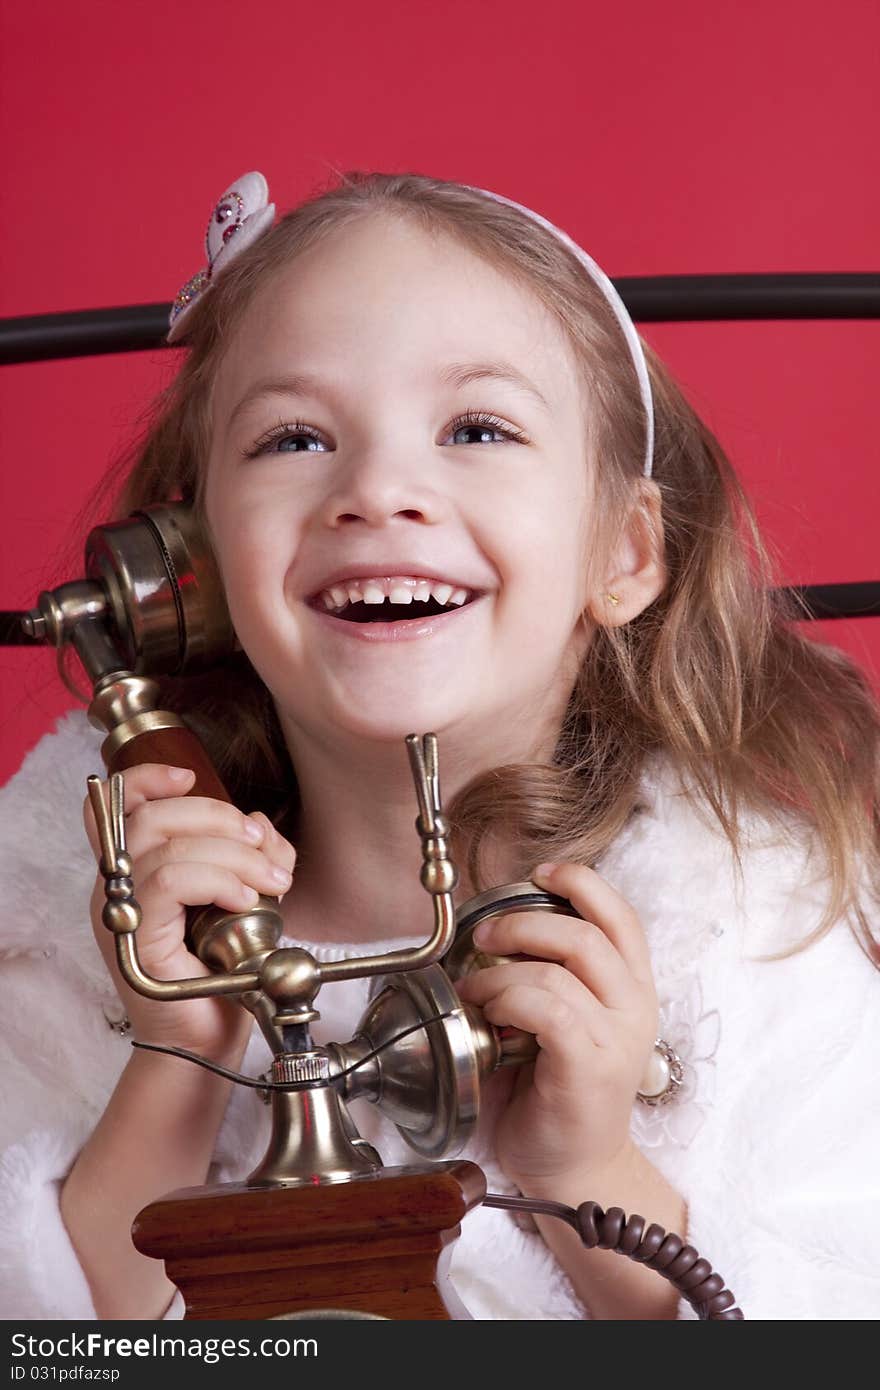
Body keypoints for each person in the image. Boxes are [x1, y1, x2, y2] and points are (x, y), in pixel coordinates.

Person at [1, 171, 878, 1322]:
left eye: (477, 427)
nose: (377, 490)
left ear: (622, 552)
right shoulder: (70, 908)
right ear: (188, 567)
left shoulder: (759, 918)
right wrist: (175, 1062)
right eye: (295, 437)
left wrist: (594, 1172)